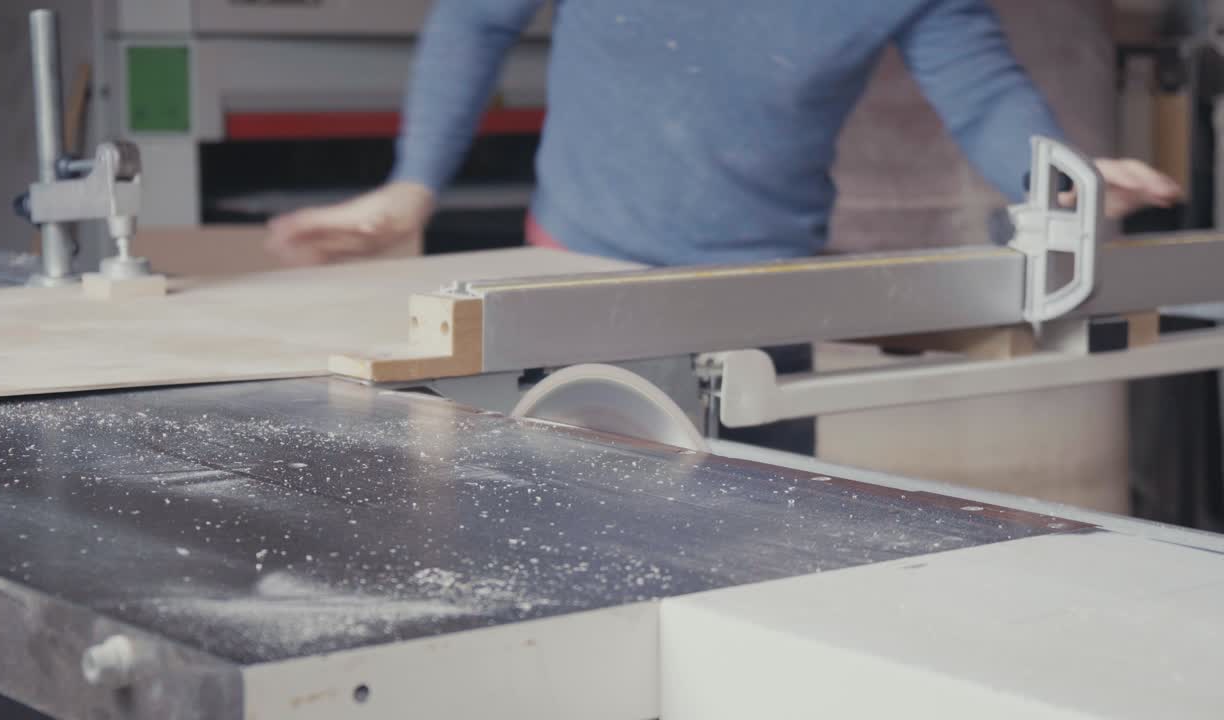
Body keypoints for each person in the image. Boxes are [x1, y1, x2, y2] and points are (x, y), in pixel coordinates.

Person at [267, 0, 1182, 453]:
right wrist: (411, 188)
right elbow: (477, 15)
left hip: (759, 312)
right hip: (572, 284)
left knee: (747, 558)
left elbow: (983, 88)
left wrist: (1058, 177)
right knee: (559, 557)